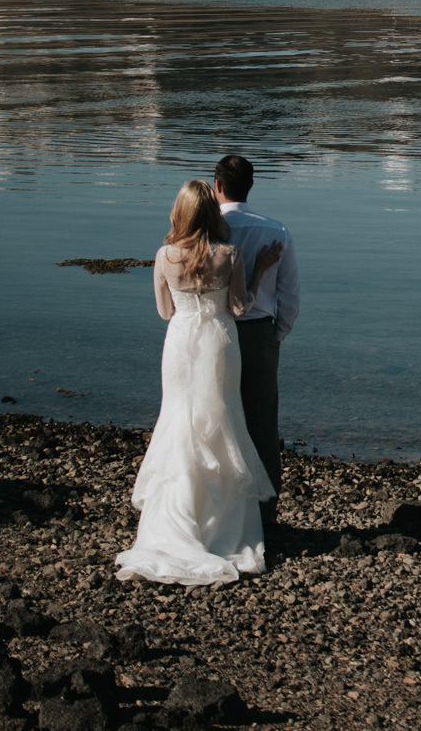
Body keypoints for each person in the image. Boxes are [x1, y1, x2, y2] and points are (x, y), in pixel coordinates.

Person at [115, 180, 283, 586]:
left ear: (181, 212)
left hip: (180, 343)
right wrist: (260, 269)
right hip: (219, 344)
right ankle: (220, 526)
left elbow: (163, 310)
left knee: (178, 421)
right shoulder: (229, 254)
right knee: (222, 422)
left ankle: (174, 521)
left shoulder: (164, 255)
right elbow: (240, 307)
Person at [212, 153, 297, 529]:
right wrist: (276, 336)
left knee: (218, 419)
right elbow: (289, 296)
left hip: (214, 333)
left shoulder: (206, 232)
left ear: (216, 186)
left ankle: (222, 509)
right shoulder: (276, 231)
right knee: (262, 424)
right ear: (251, 186)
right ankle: (265, 514)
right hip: (259, 331)